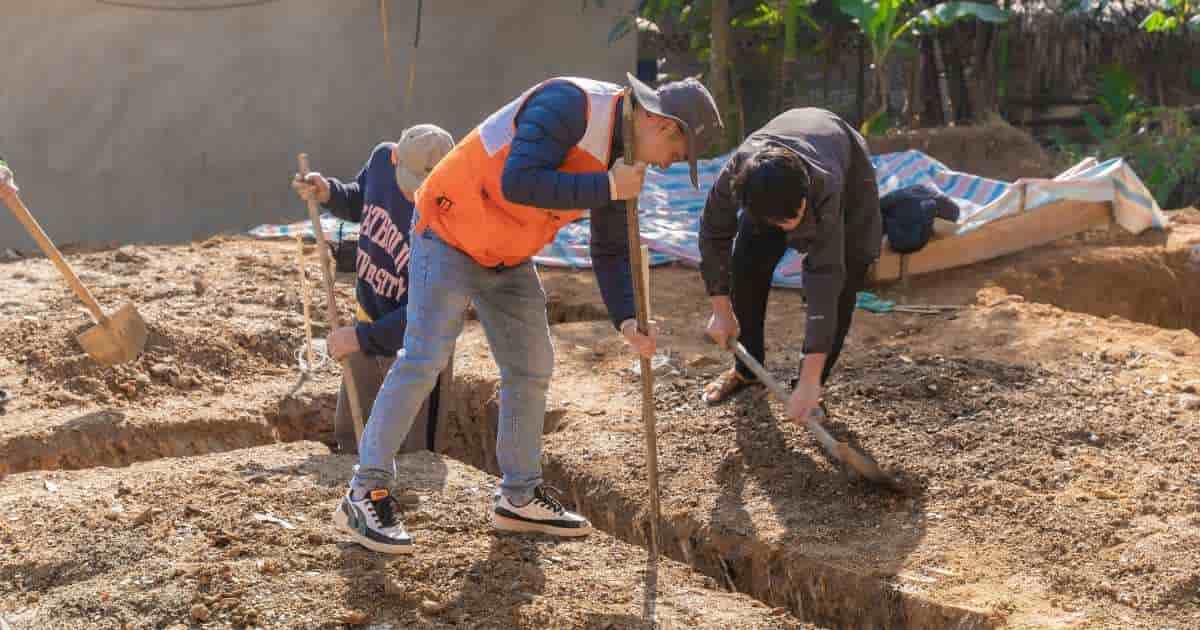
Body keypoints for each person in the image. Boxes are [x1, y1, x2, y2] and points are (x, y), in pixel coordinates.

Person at [332, 73, 722, 554]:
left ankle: (518, 497)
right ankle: (364, 491)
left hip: (507, 254)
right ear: (664, 126)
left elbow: (612, 247)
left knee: (532, 366)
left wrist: (626, 318)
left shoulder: (622, 159)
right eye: (677, 156)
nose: (667, 166)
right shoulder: (570, 105)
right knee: (423, 358)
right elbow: (520, 181)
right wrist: (606, 185)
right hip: (449, 231)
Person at [698, 108, 882, 426]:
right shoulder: (737, 176)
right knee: (747, 262)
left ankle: (810, 387)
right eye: (779, 223)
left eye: (794, 218)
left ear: (804, 197)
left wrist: (811, 377)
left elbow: (824, 278)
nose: (789, 230)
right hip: (773, 183)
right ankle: (748, 369)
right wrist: (720, 309)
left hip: (845, 170)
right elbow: (713, 233)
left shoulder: (826, 186)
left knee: (844, 280)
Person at [291, 125, 454, 455]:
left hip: (417, 349)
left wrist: (359, 338)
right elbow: (359, 200)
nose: (417, 196)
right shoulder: (382, 161)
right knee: (352, 436)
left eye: (428, 187)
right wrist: (330, 194)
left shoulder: (451, 225)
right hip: (369, 320)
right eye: (411, 185)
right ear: (395, 156)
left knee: (412, 452)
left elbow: (427, 316)